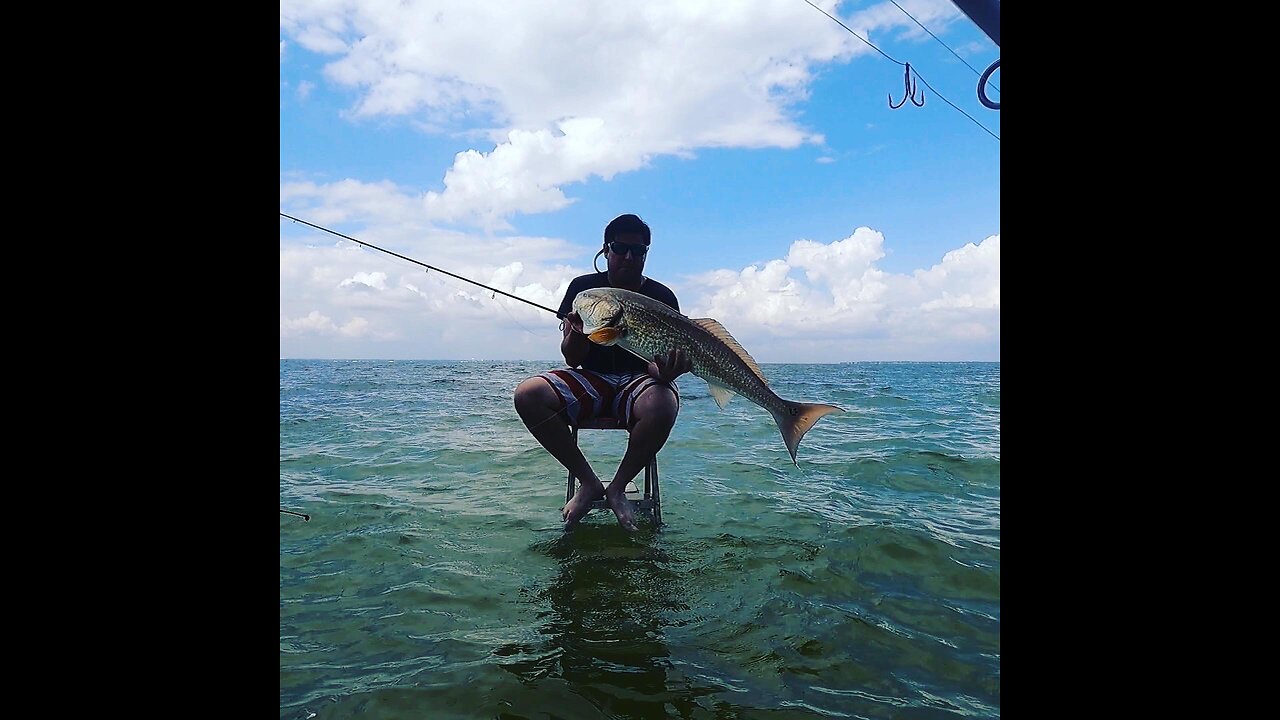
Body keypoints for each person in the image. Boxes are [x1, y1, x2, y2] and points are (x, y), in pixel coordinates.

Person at [513, 214, 692, 531]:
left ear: (646, 254)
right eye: (620, 248)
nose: (628, 257)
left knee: (663, 403)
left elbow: (656, 365)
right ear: (606, 250)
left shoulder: (663, 297)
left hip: (640, 382)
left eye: (638, 251)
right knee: (528, 395)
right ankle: (588, 482)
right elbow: (572, 358)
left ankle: (619, 486)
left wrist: (666, 371)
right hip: (592, 379)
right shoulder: (583, 290)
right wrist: (577, 334)